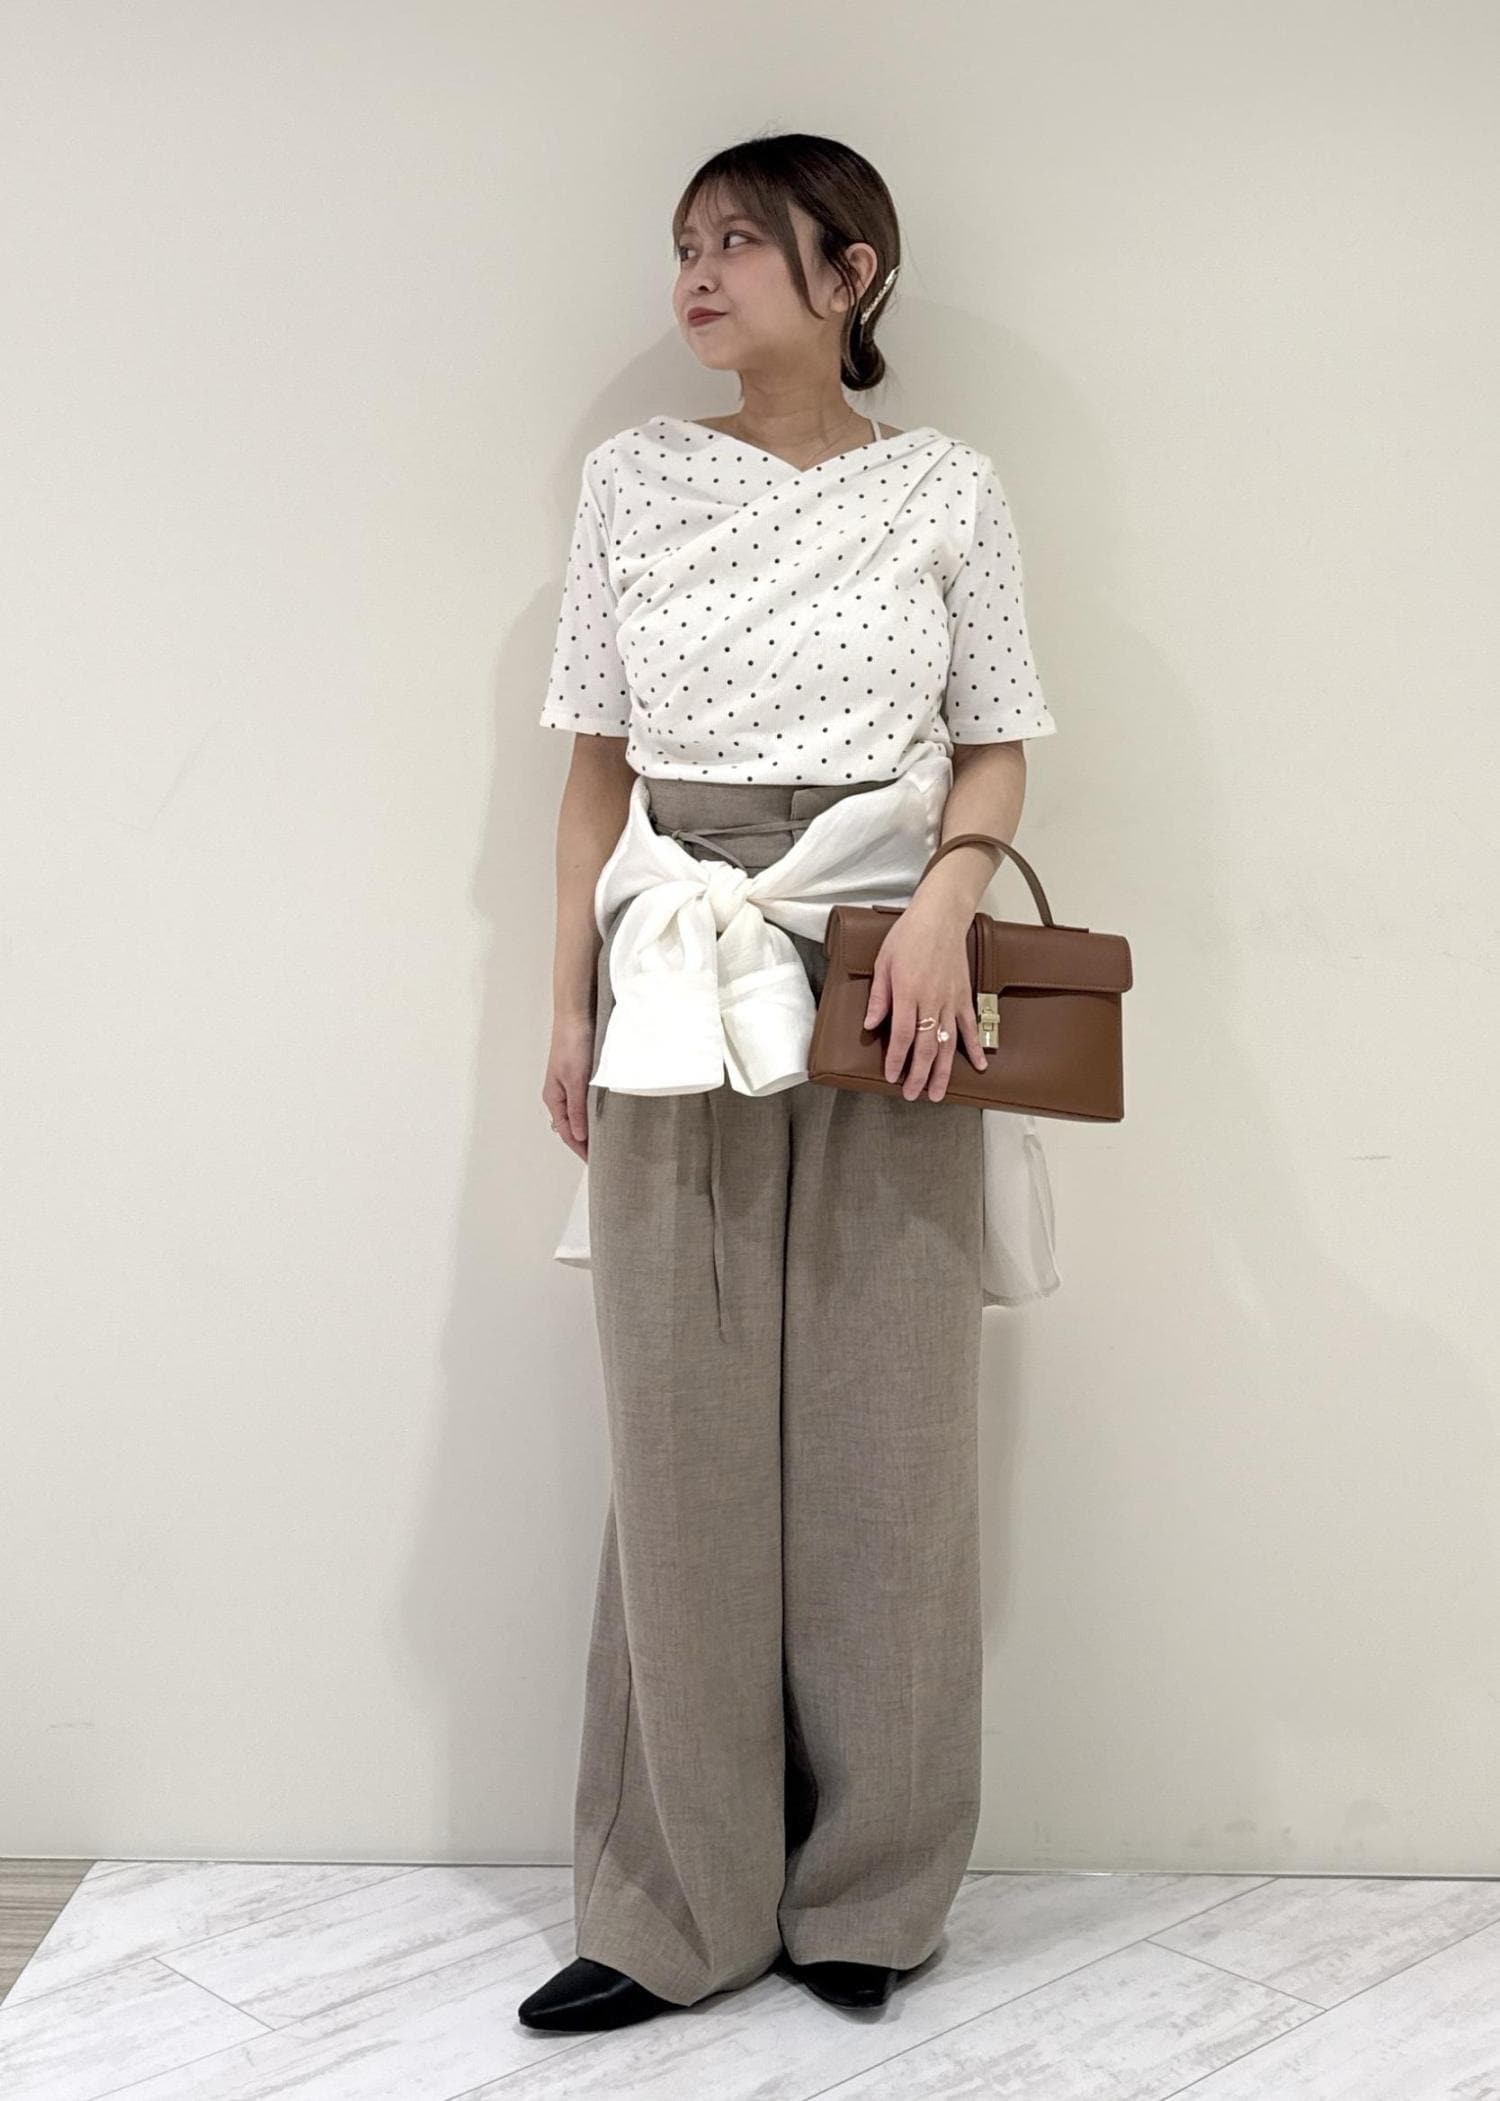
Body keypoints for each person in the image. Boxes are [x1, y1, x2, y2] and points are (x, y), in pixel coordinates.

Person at [523, 131, 1059, 2034]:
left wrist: (948, 904)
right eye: (685, 241)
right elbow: (596, 761)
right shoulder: (632, 478)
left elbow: (996, 741)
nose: (697, 271)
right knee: (676, 1439)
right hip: (678, 962)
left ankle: (872, 1894)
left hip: (888, 970)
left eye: (743, 240)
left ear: (853, 275)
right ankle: (673, 1903)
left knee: (888, 1437)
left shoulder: (948, 485)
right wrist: (568, 996)